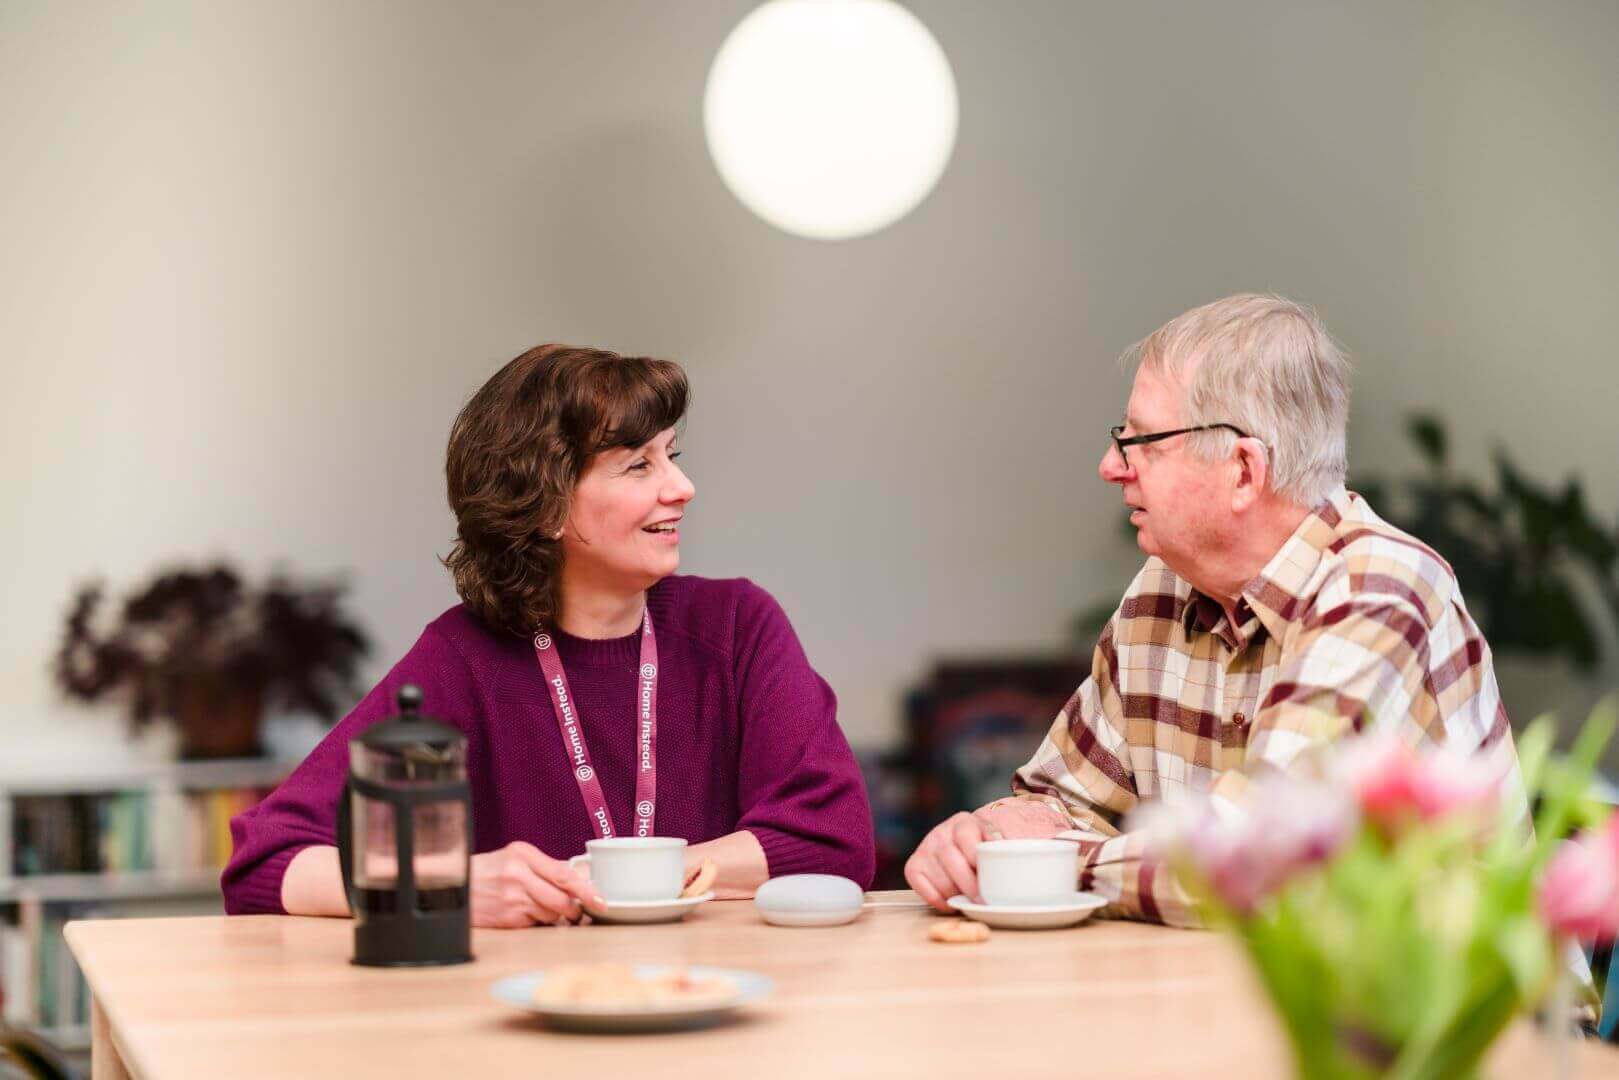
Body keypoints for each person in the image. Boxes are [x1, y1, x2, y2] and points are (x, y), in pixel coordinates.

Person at [905, 294, 1521, 927]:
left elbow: (1255, 859)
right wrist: (983, 839)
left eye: (1141, 440)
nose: (1111, 466)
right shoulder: (1161, 591)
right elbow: (1059, 800)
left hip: (1465, 1021)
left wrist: (1045, 862)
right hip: (1242, 996)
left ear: (1244, 472)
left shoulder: (1379, 588)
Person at [224, 345, 875, 927]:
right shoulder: (463, 659)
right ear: (546, 502)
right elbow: (264, 862)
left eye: (670, 456)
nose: (682, 487)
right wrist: (441, 887)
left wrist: (623, 881)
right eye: (637, 465)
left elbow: (832, 841)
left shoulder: (735, 626)